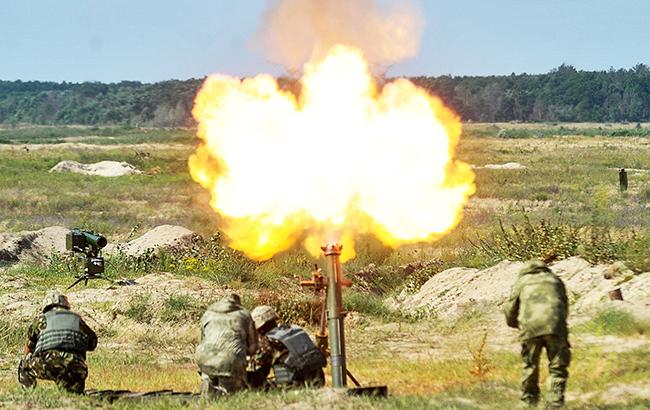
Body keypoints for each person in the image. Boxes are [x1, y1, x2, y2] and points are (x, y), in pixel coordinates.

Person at [504, 259, 571, 408]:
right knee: (557, 367)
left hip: (530, 328)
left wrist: (515, 324)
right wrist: (559, 325)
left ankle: (529, 401)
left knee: (530, 365)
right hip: (555, 326)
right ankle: (554, 402)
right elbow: (564, 305)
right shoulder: (555, 280)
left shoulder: (521, 282)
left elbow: (510, 309)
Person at [18, 290, 97, 394]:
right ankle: (74, 397)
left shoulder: (41, 320)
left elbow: (29, 348)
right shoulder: (77, 319)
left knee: (24, 364)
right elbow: (93, 343)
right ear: (66, 304)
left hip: (49, 364)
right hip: (76, 366)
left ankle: (28, 394)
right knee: (72, 395)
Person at [195, 293, 257, 397]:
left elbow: (203, 339)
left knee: (207, 398)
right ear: (238, 303)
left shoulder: (207, 314)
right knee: (233, 398)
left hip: (204, 360)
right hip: (231, 361)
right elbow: (253, 346)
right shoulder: (244, 315)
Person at [249, 305, 325, 389]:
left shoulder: (270, 340)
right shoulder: (295, 329)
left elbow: (261, 371)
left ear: (260, 327)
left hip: (294, 386)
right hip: (319, 381)